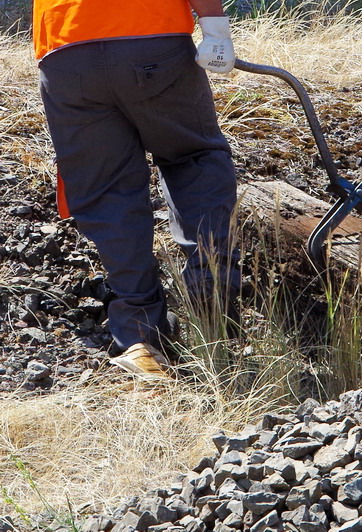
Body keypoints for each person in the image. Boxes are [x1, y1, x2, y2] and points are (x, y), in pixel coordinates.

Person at [33, 0, 241, 378]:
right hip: (151, 35)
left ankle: (140, 336)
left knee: (108, 190)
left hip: (65, 48)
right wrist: (214, 23)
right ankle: (212, 300)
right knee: (192, 160)